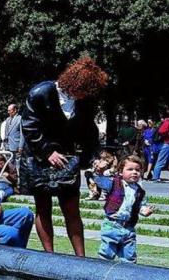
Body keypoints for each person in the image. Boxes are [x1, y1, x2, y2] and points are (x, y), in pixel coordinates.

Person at [21, 56, 106, 257]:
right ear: (74, 82)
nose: (84, 94)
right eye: (83, 89)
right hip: (39, 159)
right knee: (43, 208)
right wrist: (47, 151)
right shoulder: (40, 93)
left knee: (72, 209)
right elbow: (29, 126)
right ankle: (49, 255)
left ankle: (81, 258)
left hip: (67, 161)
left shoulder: (84, 102)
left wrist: (93, 157)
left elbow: (89, 132)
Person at [93, 155, 155, 263]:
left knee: (129, 257)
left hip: (129, 228)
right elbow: (100, 181)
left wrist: (144, 210)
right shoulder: (114, 183)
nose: (134, 172)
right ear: (121, 172)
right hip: (112, 225)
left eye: (137, 170)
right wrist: (99, 171)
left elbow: (140, 205)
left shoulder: (140, 191)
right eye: (130, 169)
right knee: (106, 255)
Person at [151, 110, 169, 182]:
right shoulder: (168, 122)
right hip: (166, 144)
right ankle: (155, 177)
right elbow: (161, 131)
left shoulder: (168, 122)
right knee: (161, 161)